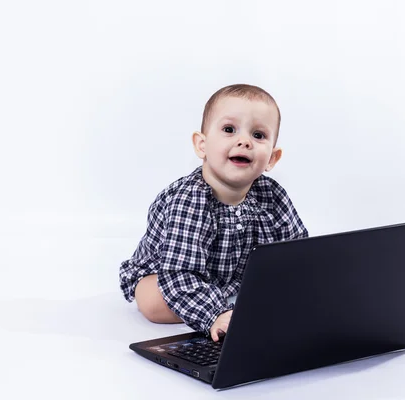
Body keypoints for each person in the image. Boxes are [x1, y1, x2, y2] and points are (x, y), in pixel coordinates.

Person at [119, 84, 308, 341]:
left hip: (228, 278)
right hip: (168, 272)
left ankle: (229, 298)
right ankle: (220, 304)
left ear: (272, 159)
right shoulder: (190, 199)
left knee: (279, 283)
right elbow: (178, 273)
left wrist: (305, 286)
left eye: (259, 135)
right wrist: (212, 315)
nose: (244, 141)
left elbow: (296, 249)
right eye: (229, 130)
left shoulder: (272, 195)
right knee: (154, 302)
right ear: (202, 145)